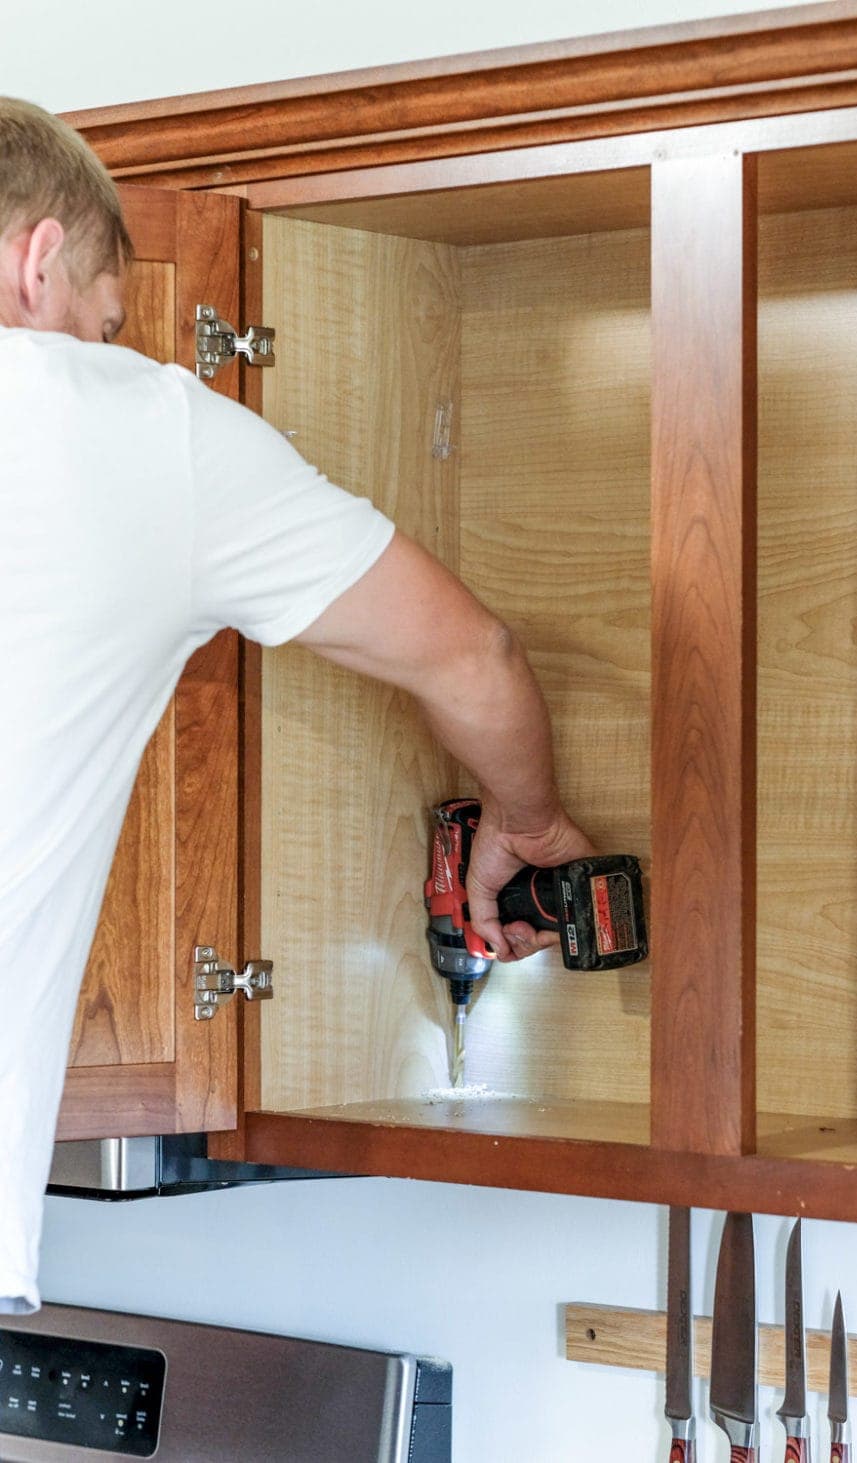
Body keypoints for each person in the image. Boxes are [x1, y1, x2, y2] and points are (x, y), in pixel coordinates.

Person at [0, 97, 591, 1315]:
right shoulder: (134, 432)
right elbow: (471, 654)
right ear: (37, 262)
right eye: (108, 328)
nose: (113, 352)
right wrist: (526, 828)